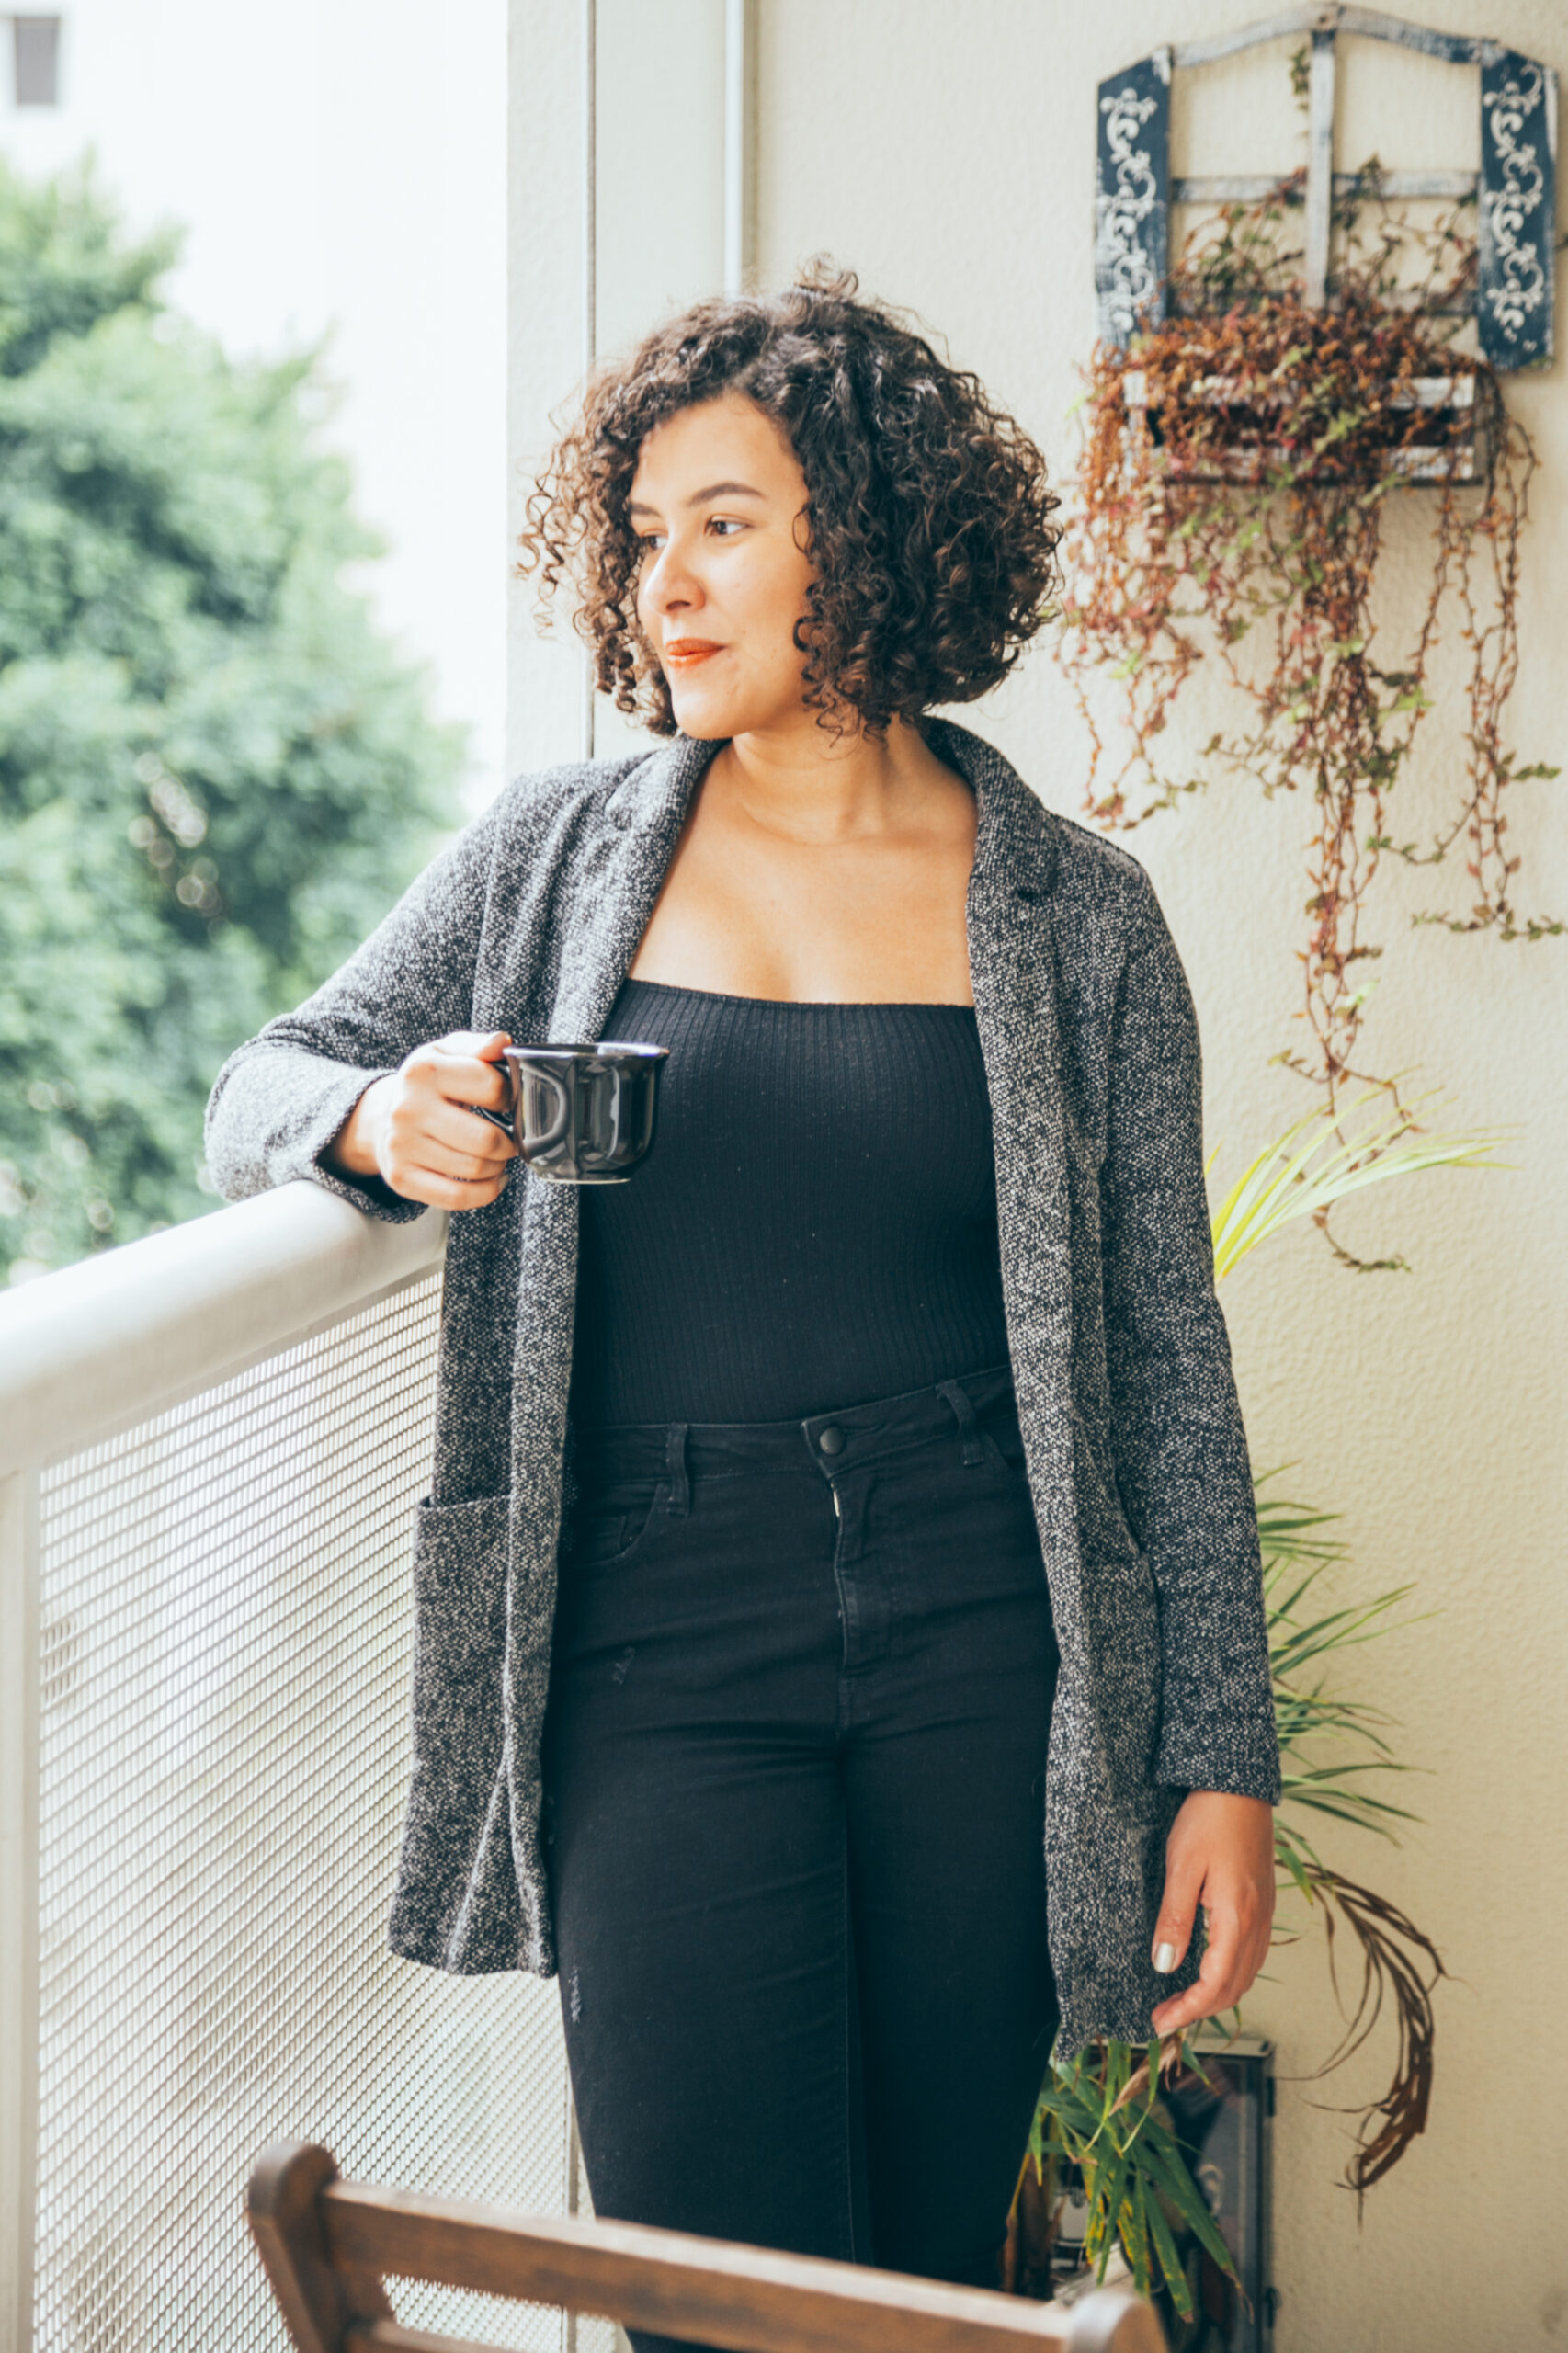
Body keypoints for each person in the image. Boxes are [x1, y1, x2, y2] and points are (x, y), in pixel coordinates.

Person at [205, 264, 1278, 2326]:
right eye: (641, 536)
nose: (665, 586)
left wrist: (1218, 1751)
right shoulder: (550, 855)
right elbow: (265, 1075)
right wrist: (375, 1116)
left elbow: (1162, 1353)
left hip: (989, 1625)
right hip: (657, 1627)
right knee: (707, 2281)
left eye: (723, 522)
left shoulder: (1077, 915)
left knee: (920, 2273)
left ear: (861, 538)